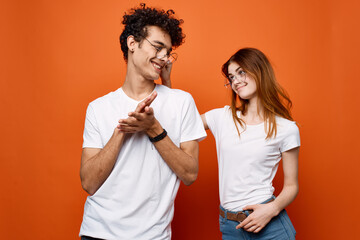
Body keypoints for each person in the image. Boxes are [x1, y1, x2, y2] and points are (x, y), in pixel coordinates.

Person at [79, 4, 206, 240]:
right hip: (98, 233)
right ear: (132, 44)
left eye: (168, 51)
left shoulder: (182, 102)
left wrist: (153, 128)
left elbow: (190, 174)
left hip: (152, 236)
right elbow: (89, 183)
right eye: (157, 47)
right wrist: (122, 130)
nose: (164, 57)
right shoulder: (98, 108)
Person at [203, 48, 300, 239]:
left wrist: (271, 209)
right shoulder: (221, 117)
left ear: (260, 70)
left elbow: (292, 186)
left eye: (241, 72)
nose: (236, 81)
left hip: (270, 226)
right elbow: (181, 127)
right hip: (231, 227)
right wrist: (167, 82)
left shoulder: (287, 129)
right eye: (231, 77)